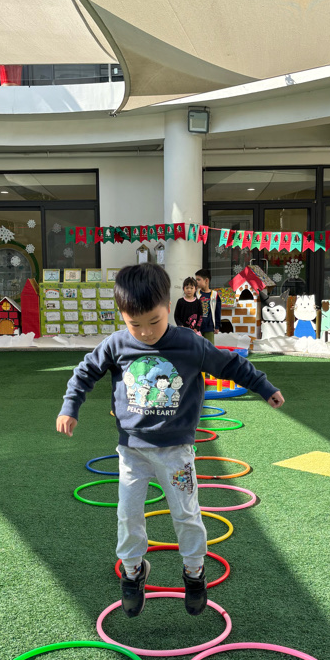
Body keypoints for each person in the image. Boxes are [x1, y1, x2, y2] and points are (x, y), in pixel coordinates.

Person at [56, 264, 283, 619]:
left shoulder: (189, 343)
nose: (146, 332)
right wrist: (70, 407)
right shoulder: (116, 344)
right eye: (135, 324)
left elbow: (231, 365)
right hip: (132, 451)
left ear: (168, 307)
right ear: (122, 315)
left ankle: (194, 571)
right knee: (128, 513)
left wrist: (264, 387)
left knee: (186, 513)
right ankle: (133, 570)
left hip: (176, 453)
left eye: (154, 321)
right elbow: (84, 373)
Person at [194, 268, 221, 343]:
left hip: (209, 326)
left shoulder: (215, 295)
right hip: (197, 327)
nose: (196, 282)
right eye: (196, 280)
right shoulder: (196, 294)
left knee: (210, 346)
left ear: (206, 280)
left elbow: (217, 311)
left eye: (198, 280)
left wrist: (217, 326)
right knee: (197, 345)